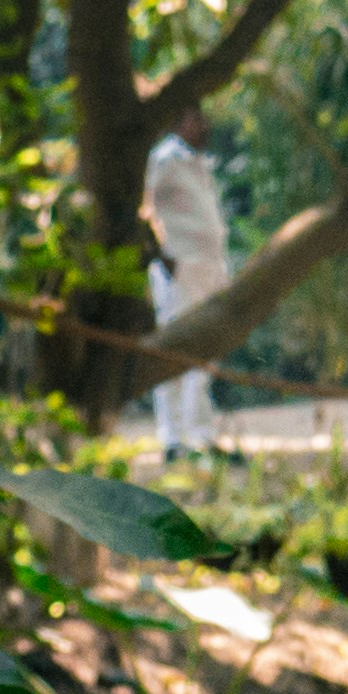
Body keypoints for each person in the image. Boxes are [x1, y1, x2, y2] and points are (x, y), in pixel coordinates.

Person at [141, 102, 232, 452]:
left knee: (207, 348)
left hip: (209, 266)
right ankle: (172, 438)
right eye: (197, 118)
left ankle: (202, 433)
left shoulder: (197, 162)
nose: (205, 124)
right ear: (180, 122)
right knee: (174, 346)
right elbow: (142, 208)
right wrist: (164, 257)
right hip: (179, 267)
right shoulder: (164, 159)